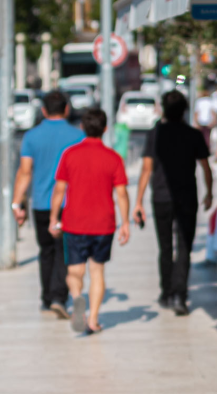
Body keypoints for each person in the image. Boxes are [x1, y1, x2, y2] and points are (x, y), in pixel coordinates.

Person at [48, 108, 130, 335]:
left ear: (82, 127)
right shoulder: (113, 158)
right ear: (105, 129)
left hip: (74, 222)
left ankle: (77, 298)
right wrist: (125, 222)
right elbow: (121, 193)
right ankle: (93, 320)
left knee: (75, 271)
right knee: (97, 271)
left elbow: (59, 189)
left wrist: (54, 217)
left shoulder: (70, 154)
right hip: (103, 223)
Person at [133, 90, 213, 315]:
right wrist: (209, 193)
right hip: (187, 197)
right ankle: (180, 296)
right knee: (184, 247)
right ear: (184, 110)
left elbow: (146, 168)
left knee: (165, 247)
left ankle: (167, 292)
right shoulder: (193, 134)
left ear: (164, 109)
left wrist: (138, 201)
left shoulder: (155, 133)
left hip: (161, 197)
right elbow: (205, 167)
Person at [12, 90, 84, 318]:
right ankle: (59, 297)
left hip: (41, 204)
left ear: (43, 111)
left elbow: (25, 172)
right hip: (69, 204)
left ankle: (46, 297)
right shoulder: (78, 136)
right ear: (66, 109)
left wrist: (17, 203)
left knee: (45, 251)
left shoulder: (31, 136)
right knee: (64, 251)